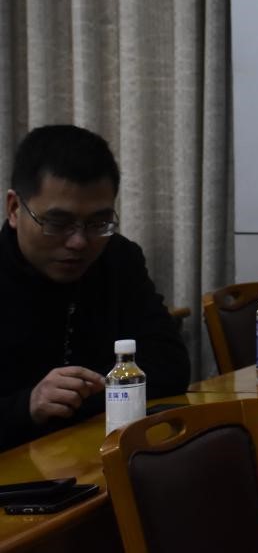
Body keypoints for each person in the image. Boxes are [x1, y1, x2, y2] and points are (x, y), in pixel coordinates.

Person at [0, 125, 191, 451]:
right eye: (58, 223)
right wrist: (28, 405)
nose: (79, 242)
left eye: (98, 223)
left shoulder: (118, 258)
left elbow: (170, 365)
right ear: (15, 209)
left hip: (101, 453)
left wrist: (81, 394)